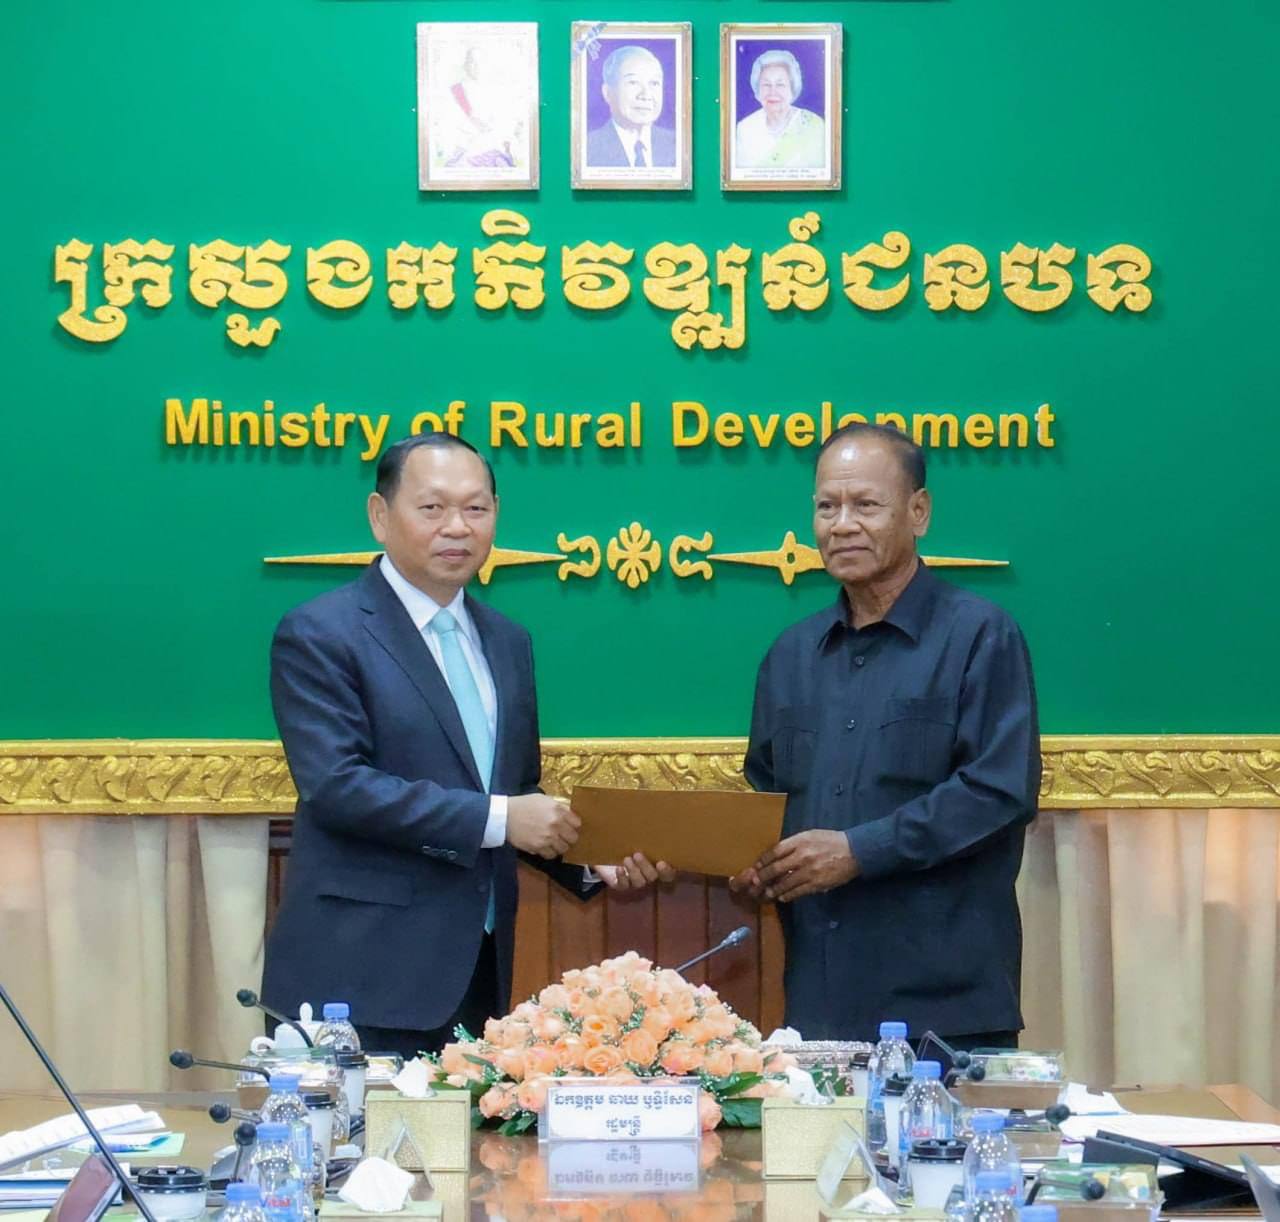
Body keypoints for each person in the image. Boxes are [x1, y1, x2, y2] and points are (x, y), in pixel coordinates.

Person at [262, 433, 672, 1058]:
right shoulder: (320, 632)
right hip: (357, 979)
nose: (457, 527)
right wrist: (506, 818)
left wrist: (591, 857)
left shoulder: (506, 639)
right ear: (379, 516)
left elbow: (512, 789)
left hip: (476, 976)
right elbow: (338, 786)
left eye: (476, 509)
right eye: (432, 508)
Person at [731, 423, 1040, 1049]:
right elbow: (768, 798)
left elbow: (997, 792)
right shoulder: (790, 655)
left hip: (947, 1010)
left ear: (918, 512)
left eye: (865, 505)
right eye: (827, 507)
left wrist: (858, 850)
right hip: (819, 1006)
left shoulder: (980, 635)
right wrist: (753, 862)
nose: (842, 525)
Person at [586, 45, 676, 169]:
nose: (646, 95)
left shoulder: (677, 144)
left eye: (654, 83)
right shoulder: (587, 148)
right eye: (633, 82)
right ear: (607, 93)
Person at [734, 49, 825, 170]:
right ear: (757, 90)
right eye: (766, 84)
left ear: (792, 89)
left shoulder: (814, 125)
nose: (773, 92)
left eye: (780, 84)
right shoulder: (745, 128)